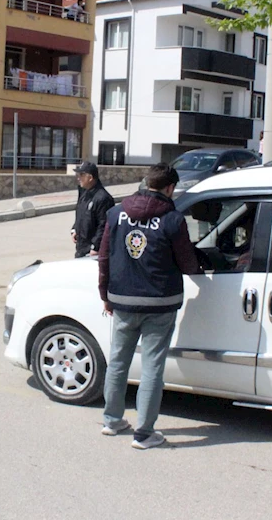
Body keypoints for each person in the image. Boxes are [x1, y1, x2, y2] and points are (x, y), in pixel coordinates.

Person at [98, 163, 202, 449]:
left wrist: (105, 294)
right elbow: (187, 262)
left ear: (145, 182)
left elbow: (104, 257)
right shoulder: (172, 219)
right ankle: (144, 433)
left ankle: (112, 420)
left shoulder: (116, 214)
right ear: (169, 188)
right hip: (160, 303)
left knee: (118, 361)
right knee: (152, 367)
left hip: (123, 301)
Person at [71, 161, 114, 258]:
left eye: (81, 175)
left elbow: (104, 225)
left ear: (90, 178)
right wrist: (75, 230)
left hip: (92, 252)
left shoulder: (103, 198)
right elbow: (81, 215)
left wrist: (95, 247)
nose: (78, 178)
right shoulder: (84, 194)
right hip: (81, 247)